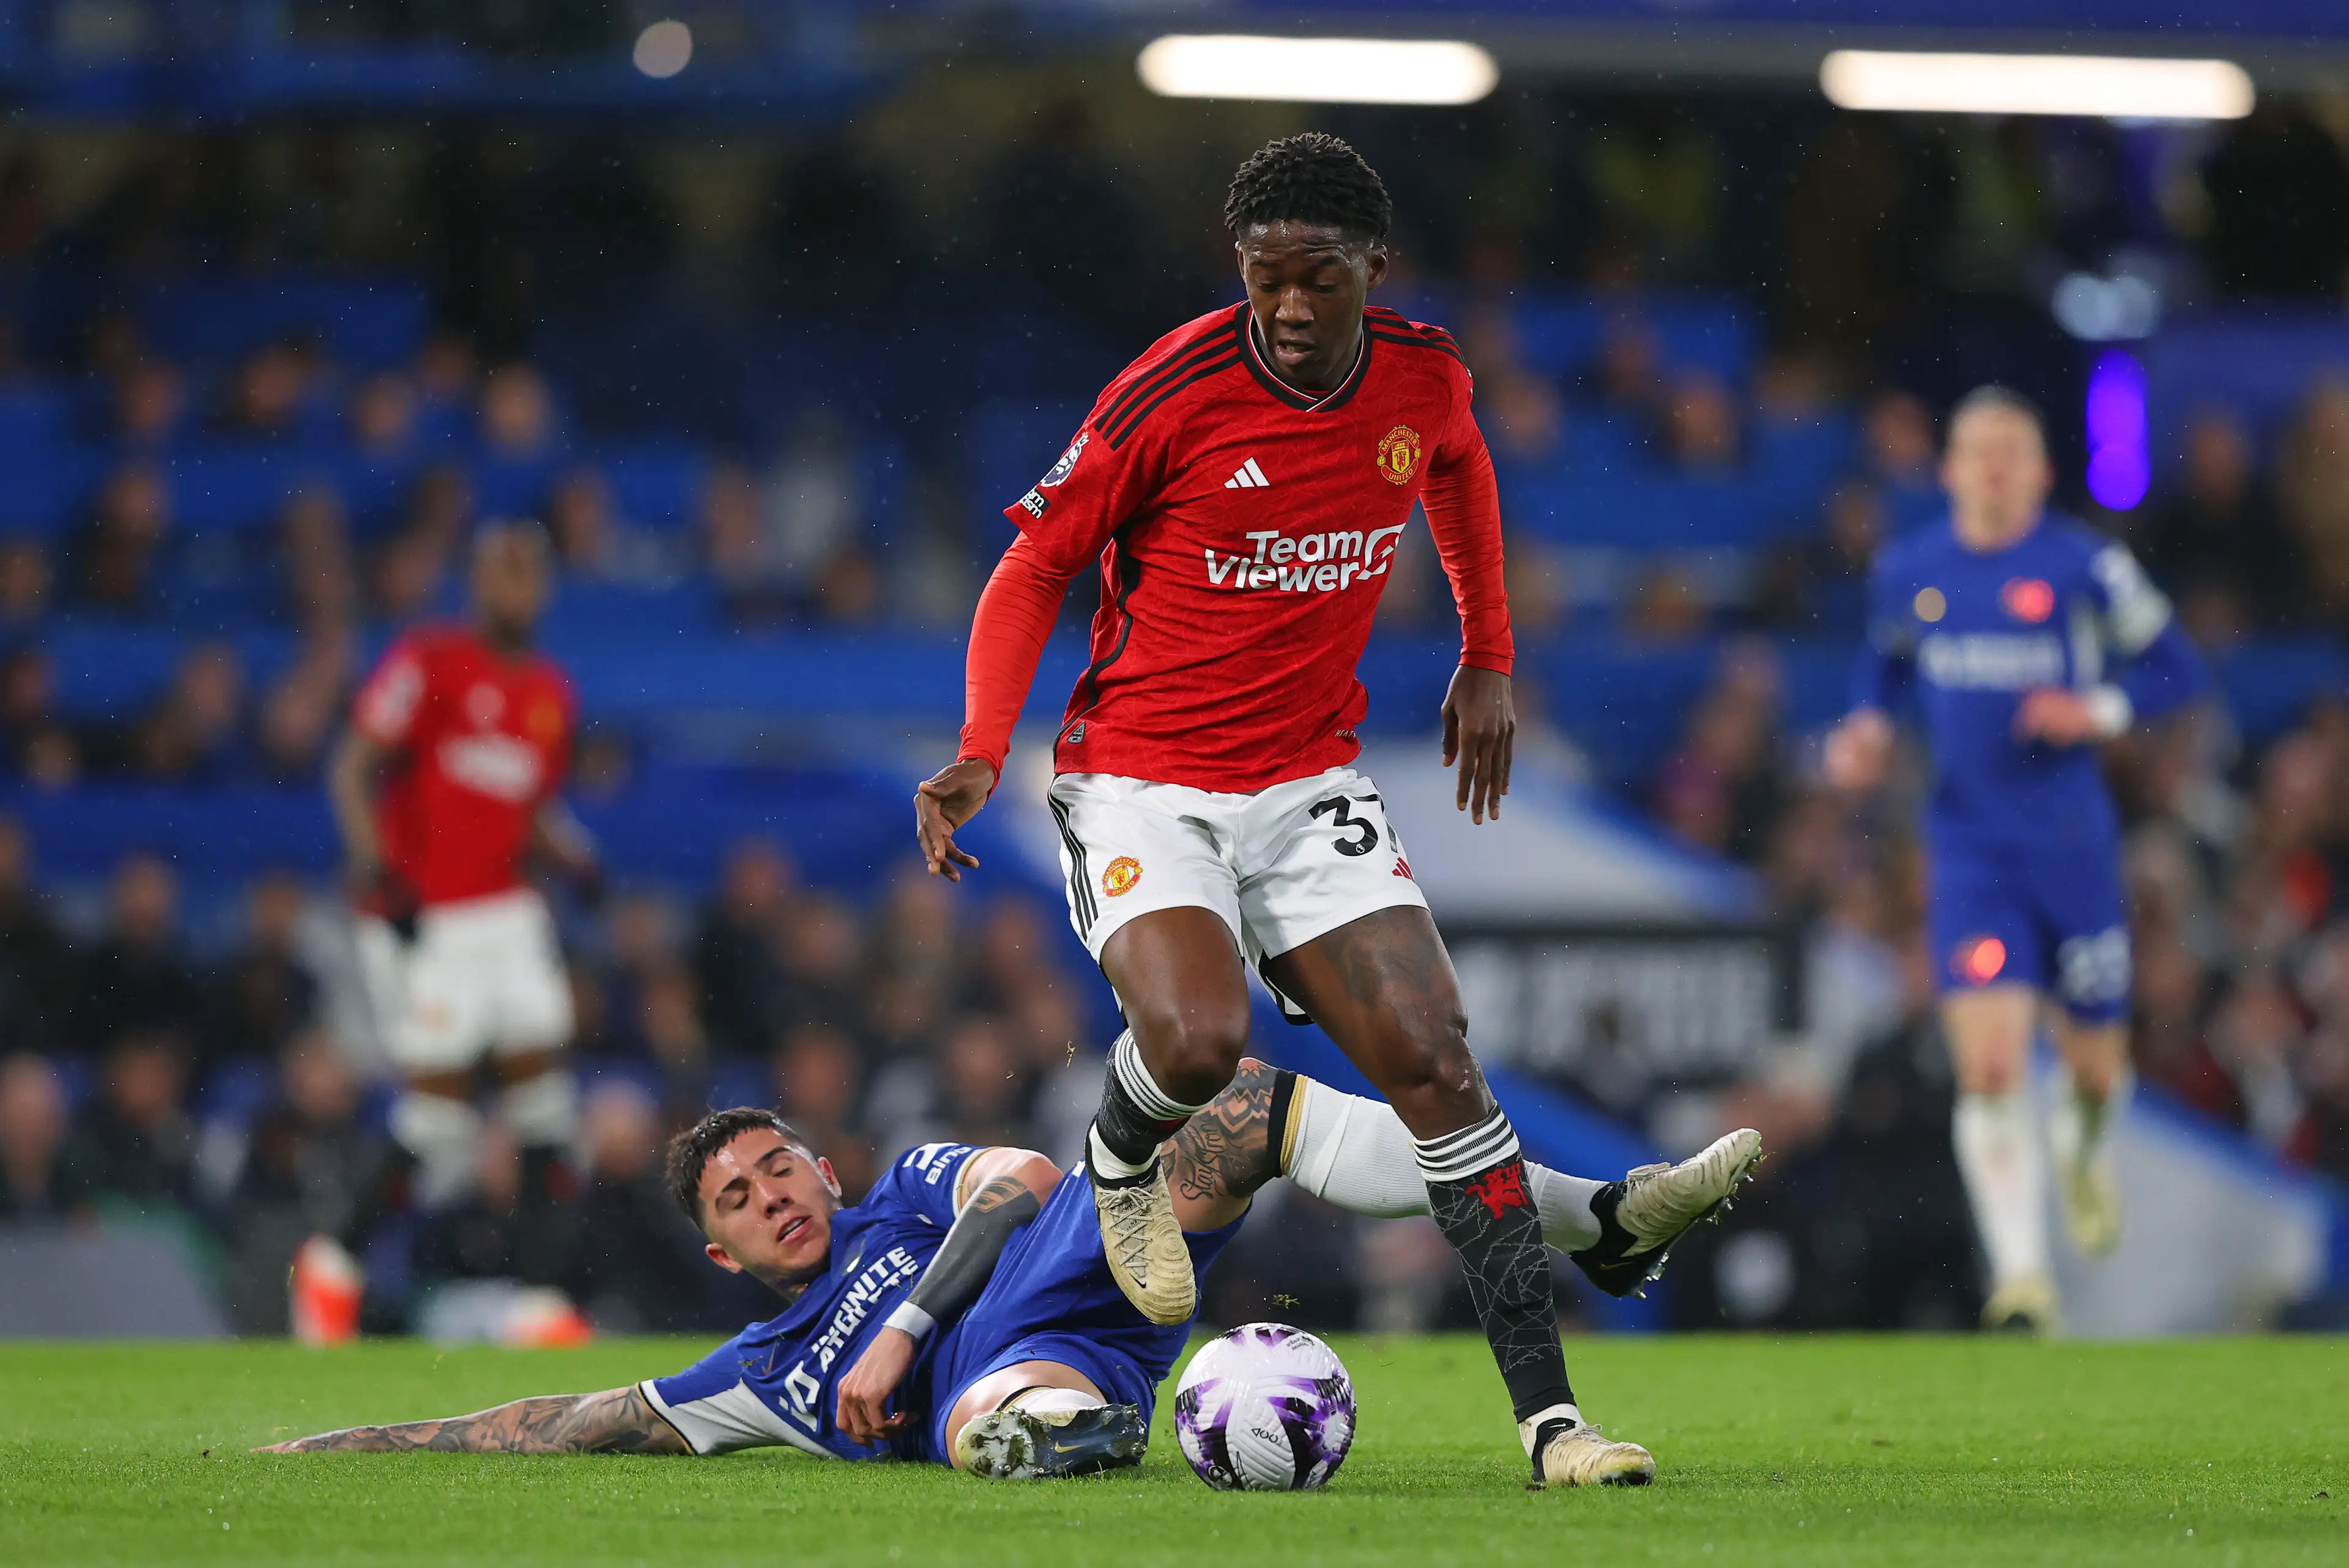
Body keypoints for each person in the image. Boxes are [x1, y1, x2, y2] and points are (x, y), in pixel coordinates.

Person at [910, 132, 1652, 1488]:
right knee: (1198, 1043)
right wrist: (978, 744)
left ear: (1373, 265)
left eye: (1319, 275)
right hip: (1143, 778)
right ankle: (1126, 1150)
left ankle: (1553, 1427)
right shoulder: (1171, 391)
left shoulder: (1423, 373)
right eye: (1266, 277)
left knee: (1435, 1059)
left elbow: (1461, 466)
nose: (1292, 305)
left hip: (1307, 781)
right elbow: (1033, 568)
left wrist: (1488, 652)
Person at [258, 1065, 1762, 1479]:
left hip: (1087, 1252)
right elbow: (571, 1421)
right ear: (717, 1251)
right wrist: (357, 1441)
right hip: (1018, 1369)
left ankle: (1604, 1215)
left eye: (784, 1163)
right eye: (741, 1193)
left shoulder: (902, 1189)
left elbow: (1033, 1181)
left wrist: (901, 1326)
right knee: (1002, 1413)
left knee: (1239, 1100)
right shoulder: (755, 1384)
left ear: (823, 1170)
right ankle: (1074, 1433)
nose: (777, 1190)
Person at [1823, 387, 2209, 1333]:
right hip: (1968, 851)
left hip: (2073, 848)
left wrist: (2099, 711)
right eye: (1976, 450)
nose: (1993, 467)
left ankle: (2086, 1148)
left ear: (2040, 471)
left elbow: (2177, 668)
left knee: (2090, 1068)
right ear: (1949, 469)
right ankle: (2023, 1275)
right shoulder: (1911, 572)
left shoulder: (2086, 567)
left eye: (2012, 451)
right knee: (1991, 1069)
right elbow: (1884, 669)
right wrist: (1866, 730)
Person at [314, 524, 596, 1331]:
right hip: (432, 915)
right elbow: (351, 768)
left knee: (546, 1106)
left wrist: (580, 860)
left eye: (530, 573)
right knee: (440, 1122)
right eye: (502, 572)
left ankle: (540, 1306)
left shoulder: (550, 692)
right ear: (476, 582)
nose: (517, 587)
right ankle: (334, 1263)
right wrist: (378, 871)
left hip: (510, 913)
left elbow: (527, 808)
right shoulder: (428, 660)